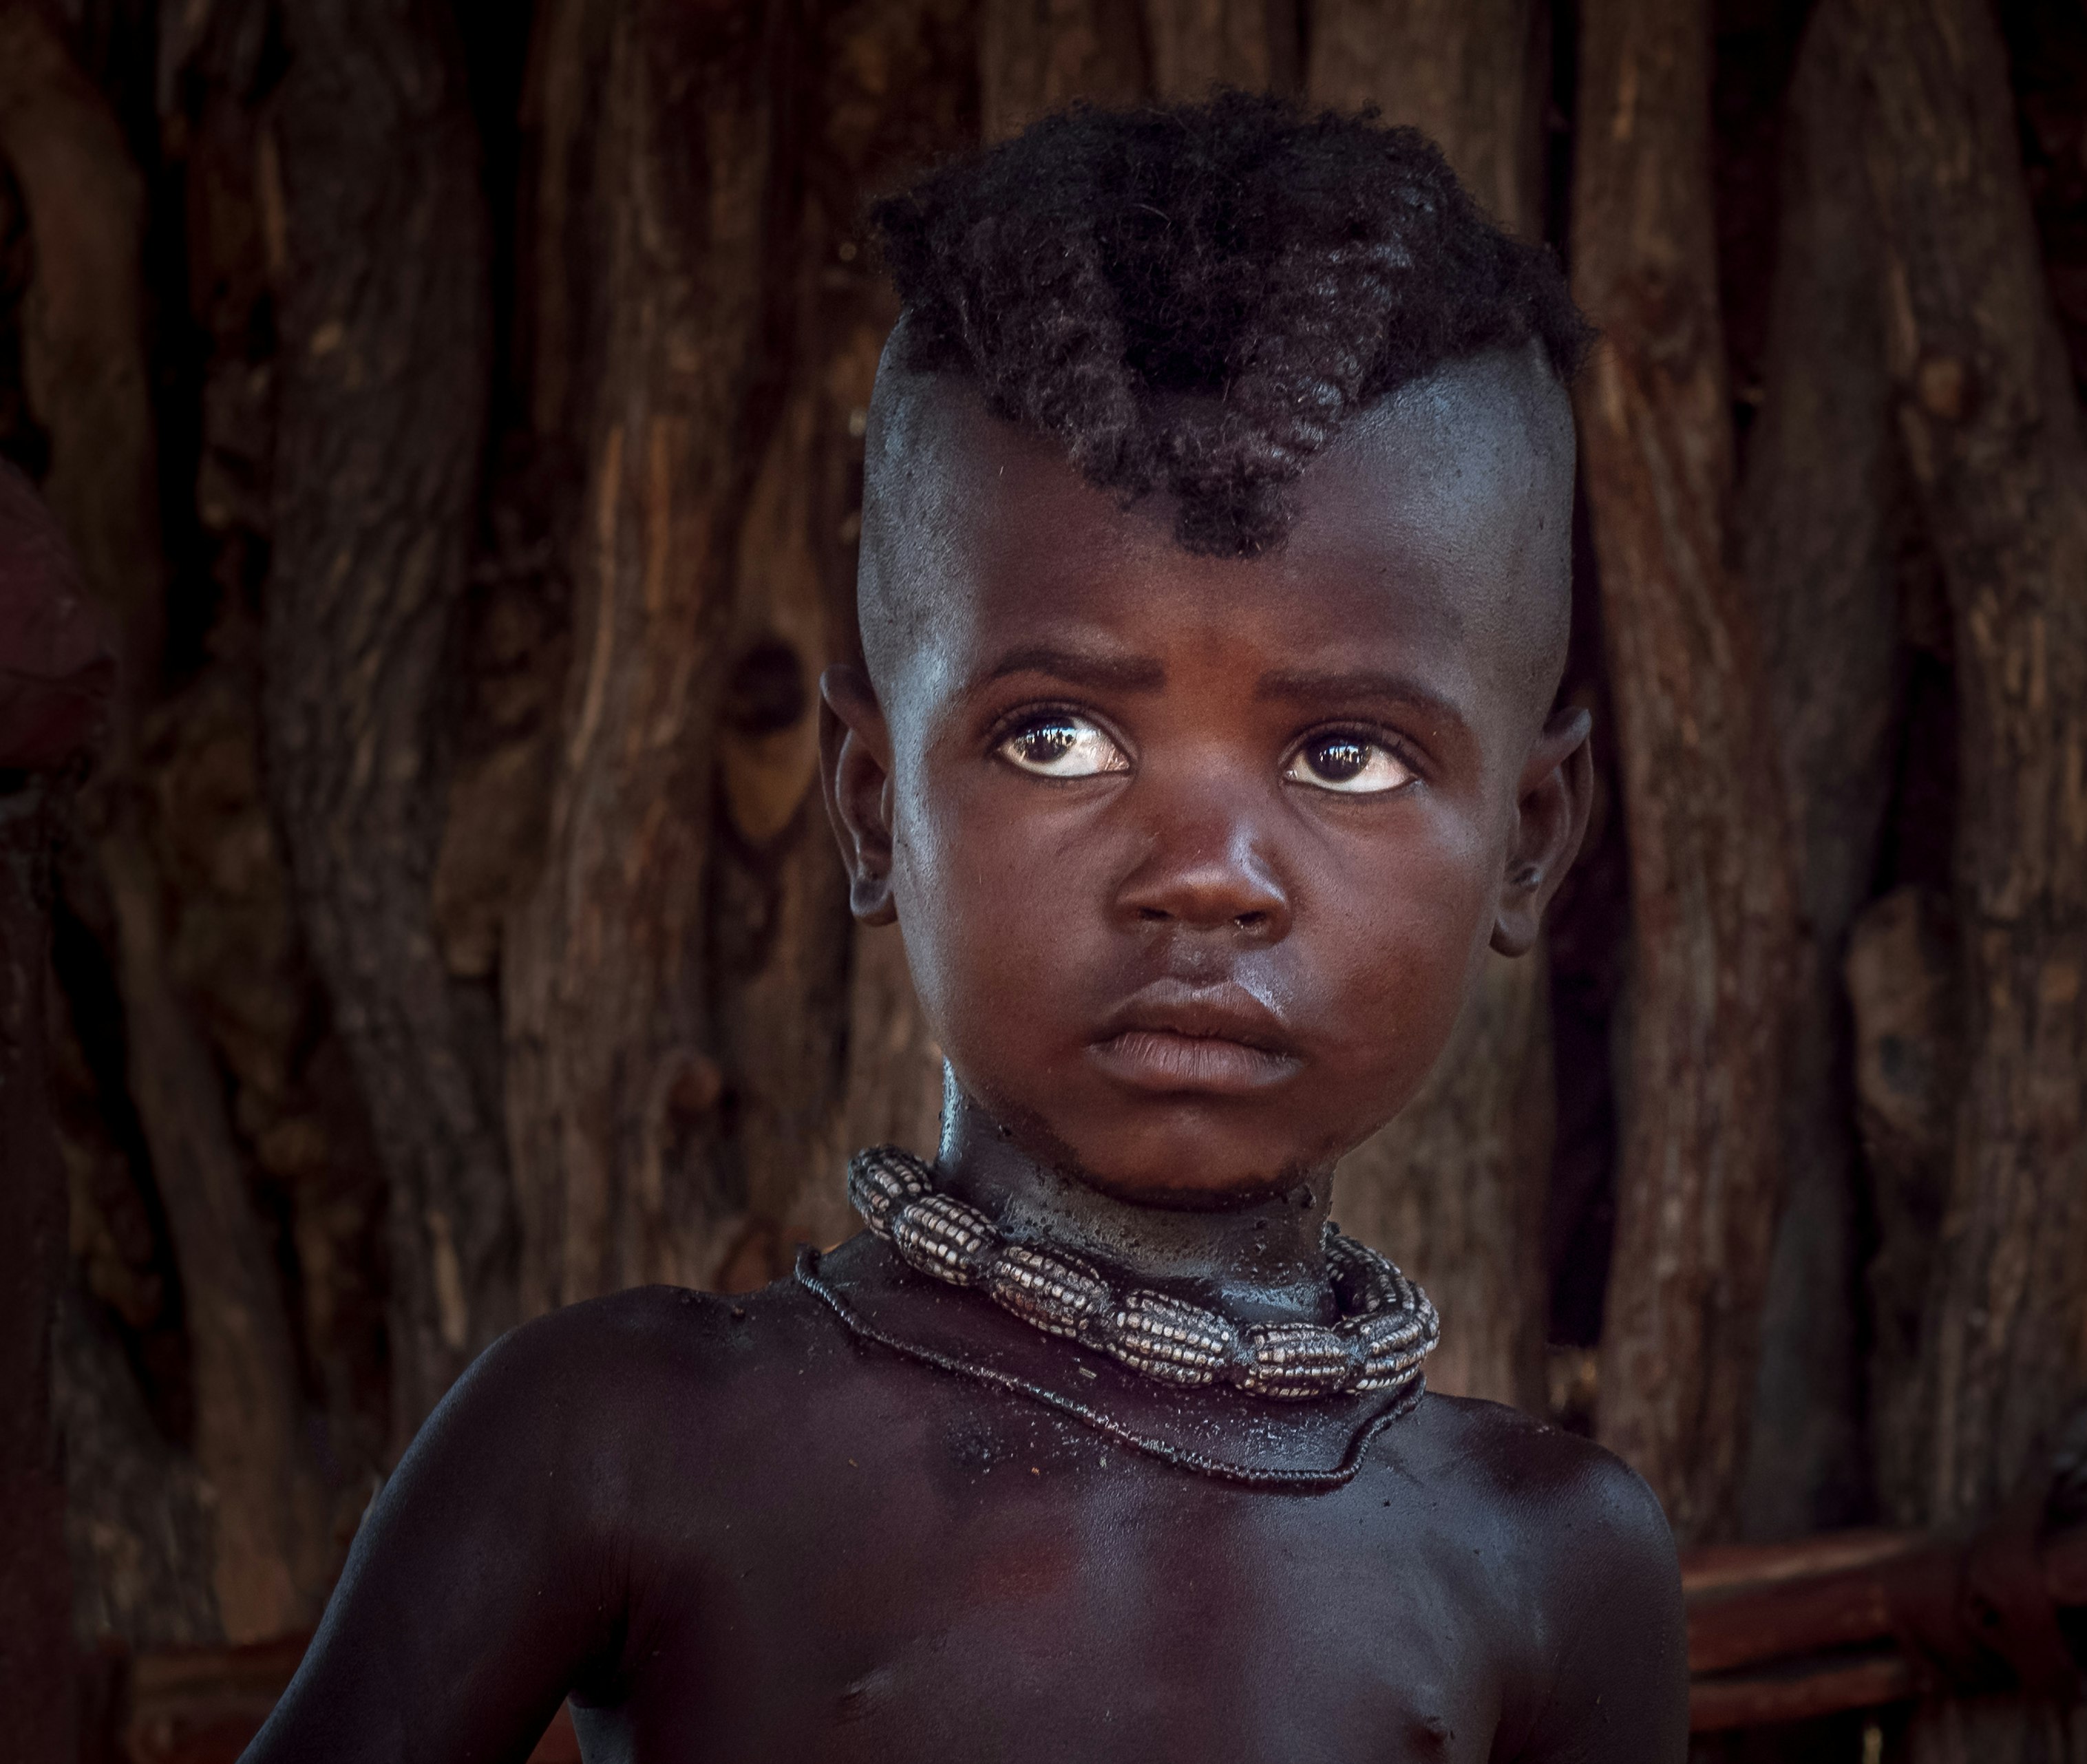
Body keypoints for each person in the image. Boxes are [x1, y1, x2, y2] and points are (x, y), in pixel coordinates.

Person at [244, 94, 1687, 1762]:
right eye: (1056, 735)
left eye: (1344, 756)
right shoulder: (631, 1441)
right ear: (872, 800)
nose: (1208, 872)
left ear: (1527, 838)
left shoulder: (1545, 1558)